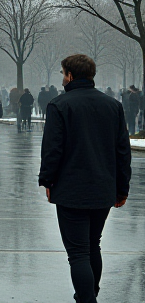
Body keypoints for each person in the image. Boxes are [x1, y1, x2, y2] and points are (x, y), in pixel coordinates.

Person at [39, 53, 132, 303]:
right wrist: (122, 188)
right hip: (103, 188)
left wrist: (47, 181)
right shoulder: (113, 105)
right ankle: (90, 294)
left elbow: (52, 149)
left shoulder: (59, 105)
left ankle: (87, 298)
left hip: (71, 189)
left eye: (62, 74)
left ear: (69, 75)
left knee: (78, 253)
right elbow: (122, 150)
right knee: (93, 245)